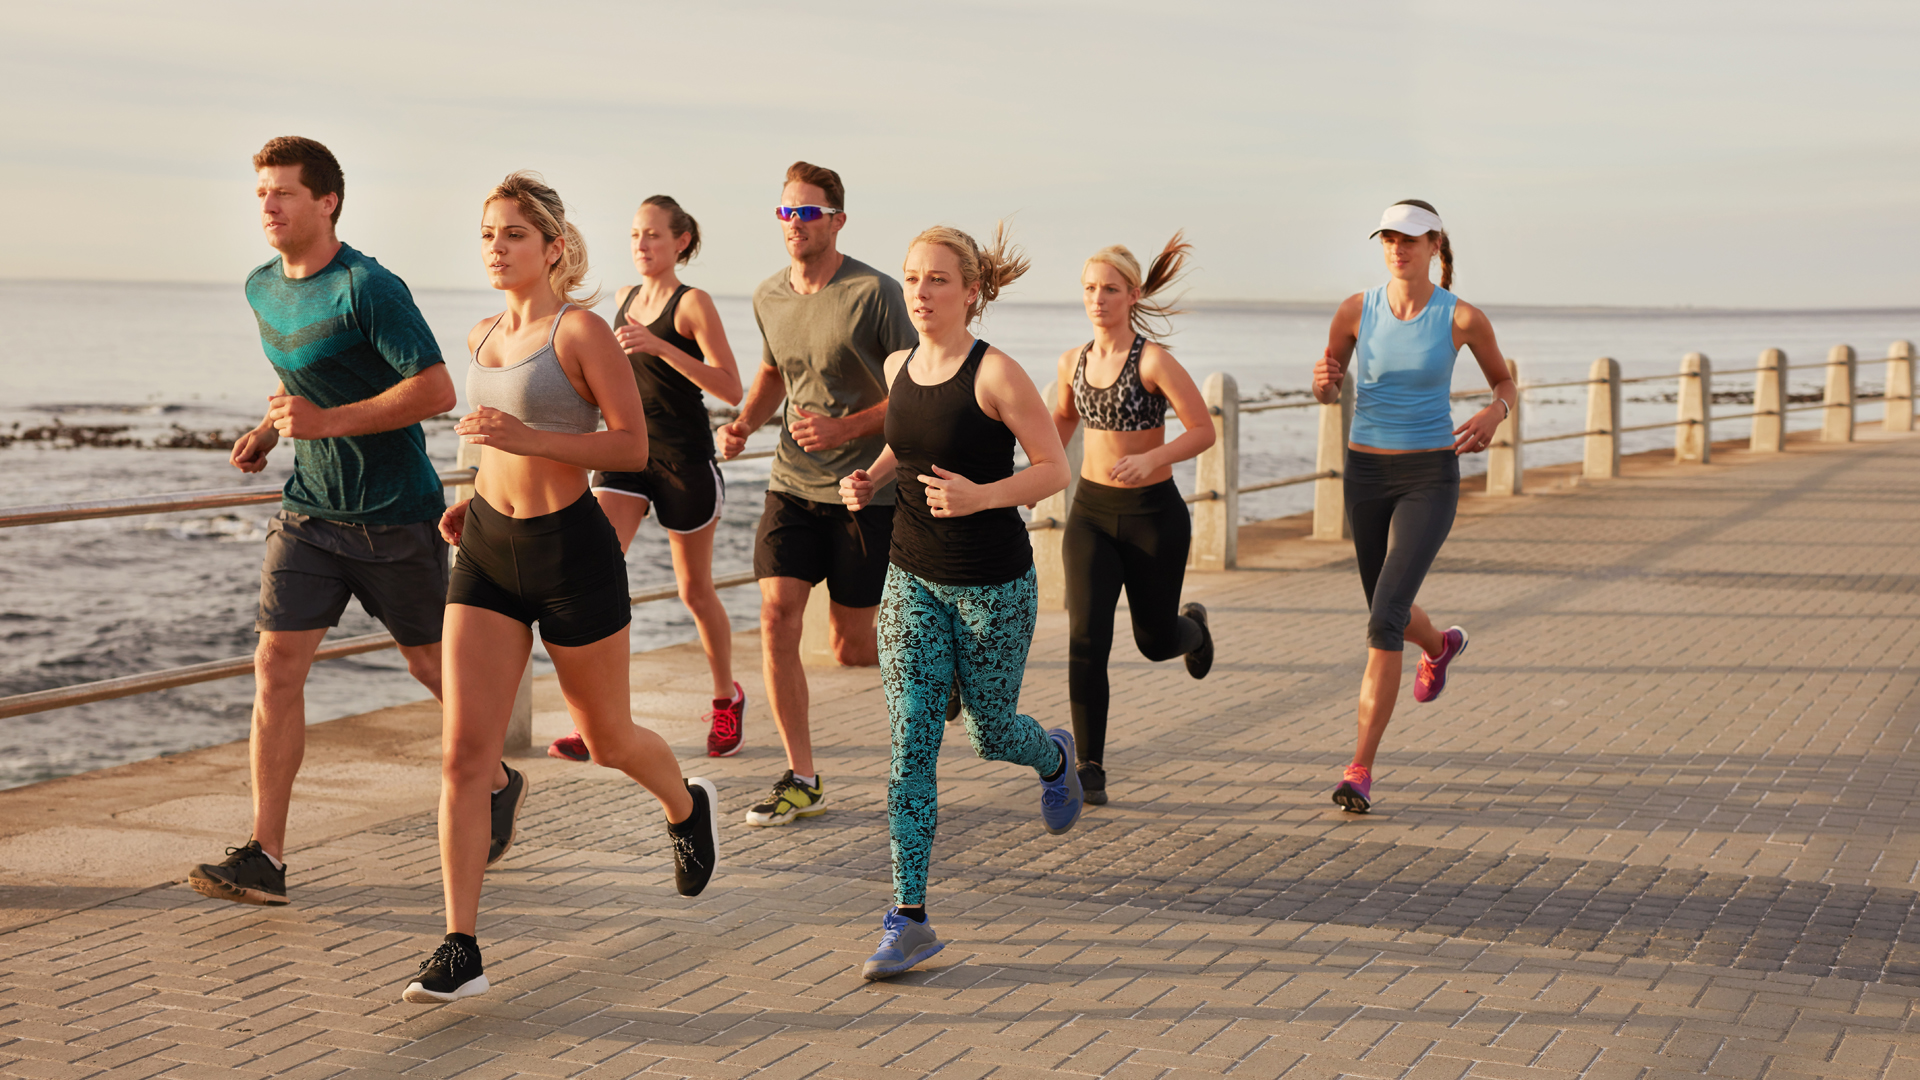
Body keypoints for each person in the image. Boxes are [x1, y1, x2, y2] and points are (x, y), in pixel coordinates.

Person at [404, 172, 718, 1005]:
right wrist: (474, 496)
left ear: (552, 247)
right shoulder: (478, 335)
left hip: (571, 552)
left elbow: (629, 447)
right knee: (465, 754)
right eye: (486, 234)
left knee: (607, 737)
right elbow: (494, 443)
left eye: (512, 234)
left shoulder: (581, 331)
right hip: (487, 551)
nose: (496, 248)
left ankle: (686, 805)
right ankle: (460, 945)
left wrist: (529, 437)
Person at [190, 136, 521, 907]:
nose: (268, 208)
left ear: (326, 201)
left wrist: (326, 422)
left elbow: (437, 388)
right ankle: (266, 855)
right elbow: (299, 380)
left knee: (429, 667)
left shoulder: (368, 287)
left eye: (284, 194)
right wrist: (274, 429)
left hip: (394, 514)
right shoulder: (260, 287)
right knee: (276, 667)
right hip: (308, 513)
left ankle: (501, 781)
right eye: (261, 195)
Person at [839, 223, 1077, 980]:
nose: (921, 292)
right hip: (910, 577)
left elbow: (1053, 469)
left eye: (938, 280)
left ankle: (1053, 756)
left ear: (972, 292)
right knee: (912, 734)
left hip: (993, 587)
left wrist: (981, 498)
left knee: (989, 732)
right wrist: (871, 479)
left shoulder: (997, 373)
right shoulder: (898, 362)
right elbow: (906, 441)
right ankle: (909, 915)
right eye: (912, 278)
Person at [718, 162, 915, 827]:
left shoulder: (875, 294)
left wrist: (848, 427)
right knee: (776, 617)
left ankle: (934, 661)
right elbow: (774, 370)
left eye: (807, 213)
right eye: (785, 213)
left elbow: (916, 397)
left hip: (866, 491)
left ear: (836, 220)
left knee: (852, 646)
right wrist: (745, 421)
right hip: (792, 483)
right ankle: (802, 775)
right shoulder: (768, 295)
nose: (794, 224)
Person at [1312, 200, 1515, 813]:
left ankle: (1359, 769)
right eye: (1389, 239)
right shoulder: (1355, 310)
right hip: (1367, 473)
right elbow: (1328, 383)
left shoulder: (1463, 319)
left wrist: (1493, 413)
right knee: (1387, 607)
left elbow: (1504, 383)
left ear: (1435, 245)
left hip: (1430, 474)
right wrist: (1322, 383)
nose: (1398, 248)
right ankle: (1440, 645)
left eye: (1411, 239)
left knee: (1383, 620)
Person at [548, 195, 747, 764]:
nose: (641, 245)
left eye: (654, 236)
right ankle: (596, 723)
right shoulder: (621, 300)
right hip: (627, 457)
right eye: (636, 235)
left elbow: (731, 389)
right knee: (596, 577)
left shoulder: (692, 305)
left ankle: (725, 698)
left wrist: (660, 345)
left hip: (685, 460)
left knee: (694, 591)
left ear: (681, 241)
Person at [1050, 234, 1218, 807]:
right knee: (1085, 639)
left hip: (1153, 519)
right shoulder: (1071, 362)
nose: (1098, 300)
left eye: (1110, 290)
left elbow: (1202, 429)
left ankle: (1192, 629)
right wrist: (1026, 479)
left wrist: (1153, 456)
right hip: (1090, 516)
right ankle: (1090, 765)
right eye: (1090, 289)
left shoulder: (1153, 361)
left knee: (1153, 640)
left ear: (1133, 295)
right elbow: (1059, 425)